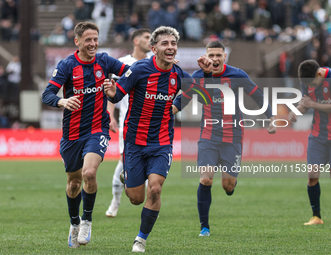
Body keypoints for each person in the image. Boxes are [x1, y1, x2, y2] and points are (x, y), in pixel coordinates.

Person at [103, 26, 213, 252]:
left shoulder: (178, 74)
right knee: (135, 198)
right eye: (165, 43)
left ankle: (141, 239)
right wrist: (111, 91)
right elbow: (119, 94)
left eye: (173, 44)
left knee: (155, 189)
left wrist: (205, 76)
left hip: (162, 143)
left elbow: (198, 93)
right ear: (153, 49)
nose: (170, 47)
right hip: (134, 142)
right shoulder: (139, 69)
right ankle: (128, 178)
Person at [173, 40, 276, 237]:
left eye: (218, 55)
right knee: (205, 179)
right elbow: (183, 99)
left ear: (224, 57)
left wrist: (271, 118)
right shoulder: (198, 76)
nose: (214, 59)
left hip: (233, 137)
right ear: (206, 56)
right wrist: (166, 113)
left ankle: (230, 184)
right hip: (208, 136)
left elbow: (258, 96)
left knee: (228, 186)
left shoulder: (237, 75)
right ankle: (204, 227)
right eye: (211, 55)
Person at [41, 21, 130, 248]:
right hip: (71, 134)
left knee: (90, 173)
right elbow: (47, 94)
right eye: (88, 40)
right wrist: (62, 100)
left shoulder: (105, 61)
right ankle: (74, 223)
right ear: (77, 42)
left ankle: (87, 220)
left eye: (95, 39)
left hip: (97, 128)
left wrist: (116, 90)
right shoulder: (67, 66)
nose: (93, 44)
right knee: (73, 183)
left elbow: (132, 73)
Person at [105, 28, 152, 218]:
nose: (151, 41)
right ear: (136, 41)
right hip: (130, 122)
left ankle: (150, 202)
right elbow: (112, 92)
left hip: (153, 124)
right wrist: (111, 115)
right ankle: (116, 201)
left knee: (151, 164)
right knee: (125, 162)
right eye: (147, 37)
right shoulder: (123, 64)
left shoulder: (155, 64)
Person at [288, 59, 331, 226]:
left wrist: (313, 104)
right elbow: (306, 102)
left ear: (320, 73)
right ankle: (316, 216)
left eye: (314, 82)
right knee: (312, 175)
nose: (312, 85)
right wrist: (296, 112)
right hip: (318, 135)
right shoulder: (306, 80)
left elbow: (312, 103)